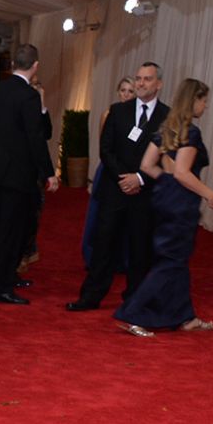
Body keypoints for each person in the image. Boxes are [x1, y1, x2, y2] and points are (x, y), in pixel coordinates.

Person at [115, 78, 213, 335]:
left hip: (164, 200)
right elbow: (184, 174)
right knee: (171, 262)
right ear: (193, 100)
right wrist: (210, 194)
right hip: (181, 205)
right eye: (204, 100)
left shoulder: (166, 129)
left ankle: (186, 317)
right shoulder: (190, 132)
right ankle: (133, 315)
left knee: (176, 261)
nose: (205, 106)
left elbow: (147, 166)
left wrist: (167, 182)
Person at [68, 62, 169, 311]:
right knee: (104, 245)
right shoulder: (118, 111)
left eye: (147, 79)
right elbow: (106, 149)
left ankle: (135, 298)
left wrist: (141, 179)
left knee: (140, 248)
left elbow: (169, 155)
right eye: (138, 78)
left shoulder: (167, 116)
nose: (141, 83)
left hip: (146, 194)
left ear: (159, 84)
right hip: (115, 188)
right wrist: (125, 178)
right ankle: (90, 297)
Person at [0, 43, 57, 303]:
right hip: (17, 176)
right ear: (35, 66)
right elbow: (38, 137)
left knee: (1, 229)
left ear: (14, 64)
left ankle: (6, 277)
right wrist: (49, 172)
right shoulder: (28, 96)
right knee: (12, 231)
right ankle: (0, 286)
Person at [80, 77, 134, 268]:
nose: (126, 94)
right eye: (123, 90)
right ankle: (97, 256)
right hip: (109, 169)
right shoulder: (109, 114)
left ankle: (122, 258)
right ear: (118, 92)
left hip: (132, 171)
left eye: (130, 91)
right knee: (101, 215)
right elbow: (104, 147)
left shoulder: (139, 117)